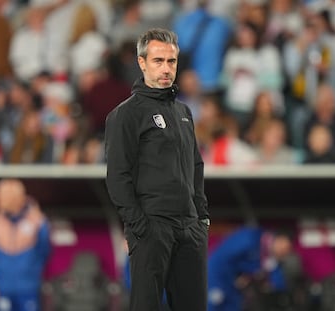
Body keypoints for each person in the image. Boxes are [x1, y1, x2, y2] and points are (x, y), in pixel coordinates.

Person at [105, 28, 210, 311]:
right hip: (152, 228)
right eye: (158, 61)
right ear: (142, 63)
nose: (166, 68)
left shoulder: (184, 113)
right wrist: (141, 226)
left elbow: (196, 166)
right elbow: (117, 176)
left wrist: (201, 219)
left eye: (171, 61)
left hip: (189, 229)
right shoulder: (125, 114)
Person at [0, 179, 51, 311]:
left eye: (4, 195)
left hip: (28, 287)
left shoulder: (37, 221)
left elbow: (44, 251)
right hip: (2, 288)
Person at [207, 225, 293, 311]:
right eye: (283, 247)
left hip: (234, 291)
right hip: (217, 279)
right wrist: (232, 279)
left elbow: (277, 281)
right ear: (278, 239)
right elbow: (221, 259)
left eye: (286, 250)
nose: (283, 252)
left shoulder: (270, 258)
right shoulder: (250, 239)